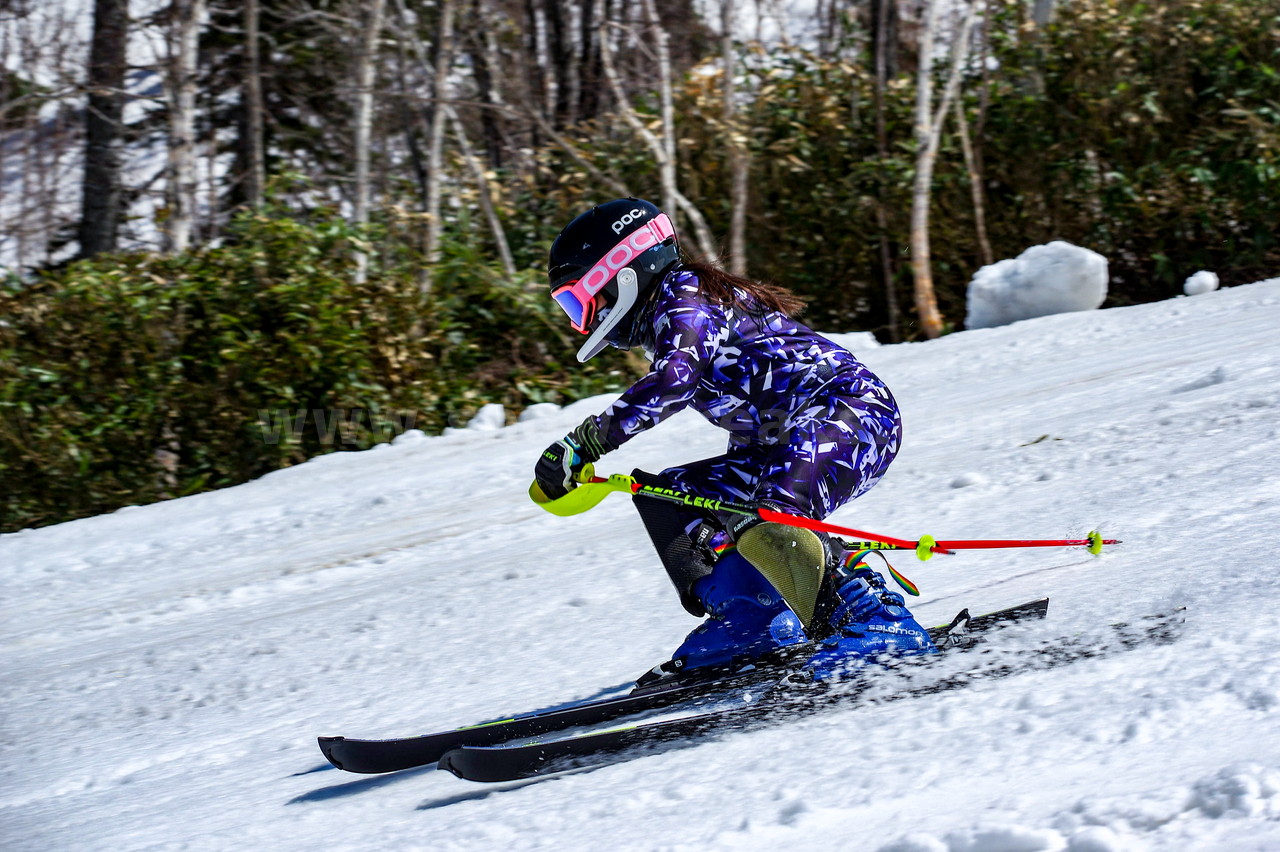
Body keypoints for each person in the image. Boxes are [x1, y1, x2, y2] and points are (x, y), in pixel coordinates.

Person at [533, 198, 934, 682]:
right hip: (779, 441)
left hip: (848, 414)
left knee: (772, 513)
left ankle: (877, 619)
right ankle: (756, 618)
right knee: (673, 498)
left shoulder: (685, 294)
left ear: (623, 274)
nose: (584, 321)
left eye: (580, 302)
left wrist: (586, 443)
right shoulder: (671, 313)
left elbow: (675, 380)